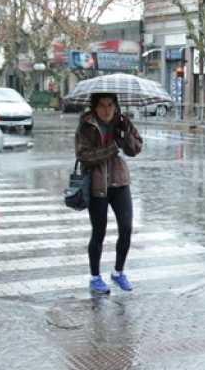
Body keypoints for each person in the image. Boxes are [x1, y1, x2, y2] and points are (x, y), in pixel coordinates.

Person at [75, 93, 143, 295]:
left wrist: (126, 135)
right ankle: (95, 278)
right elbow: (83, 156)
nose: (107, 109)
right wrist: (111, 149)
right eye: (102, 105)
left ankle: (118, 272)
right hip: (97, 185)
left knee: (126, 228)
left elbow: (135, 148)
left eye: (110, 105)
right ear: (95, 107)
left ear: (115, 106)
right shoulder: (86, 126)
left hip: (120, 182)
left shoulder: (122, 122)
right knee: (99, 232)